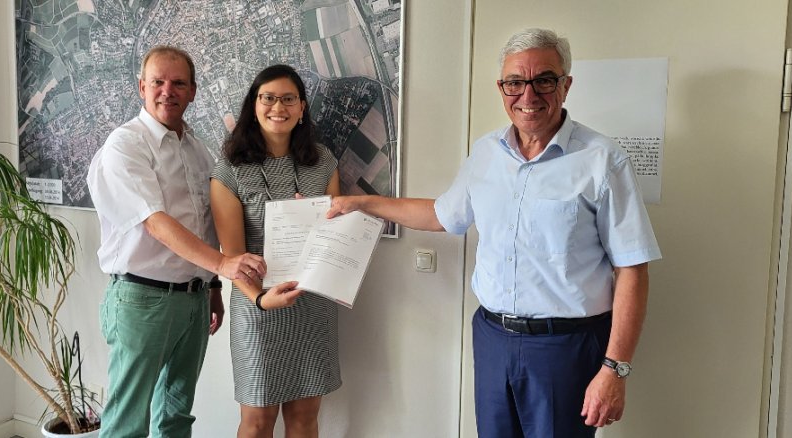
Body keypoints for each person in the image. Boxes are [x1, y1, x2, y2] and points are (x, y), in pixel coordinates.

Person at [327, 28, 661, 437]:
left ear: (566, 85)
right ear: (501, 88)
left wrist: (615, 368)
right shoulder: (486, 153)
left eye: (544, 80)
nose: (529, 95)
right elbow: (442, 214)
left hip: (565, 347)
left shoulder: (602, 160)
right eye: (515, 82)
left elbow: (632, 268)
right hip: (492, 339)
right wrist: (361, 203)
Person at [87, 46, 282, 438]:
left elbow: (204, 219)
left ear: (193, 91)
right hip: (141, 301)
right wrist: (222, 266)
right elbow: (155, 223)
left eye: (178, 83)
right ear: (141, 87)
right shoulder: (126, 145)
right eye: (157, 82)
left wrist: (211, 286)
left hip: (192, 301)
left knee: (176, 416)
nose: (167, 91)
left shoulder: (196, 148)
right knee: (127, 424)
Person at [210, 64, 343, 438]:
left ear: (302, 108)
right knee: (256, 423)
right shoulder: (229, 171)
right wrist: (259, 300)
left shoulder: (324, 162)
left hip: (311, 300)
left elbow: (337, 234)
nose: (277, 107)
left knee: (304, 418)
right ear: (254, 105)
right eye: (268, 98)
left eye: (288, 99)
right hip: (257, 307)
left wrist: (316, 219)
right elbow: (232, 256)